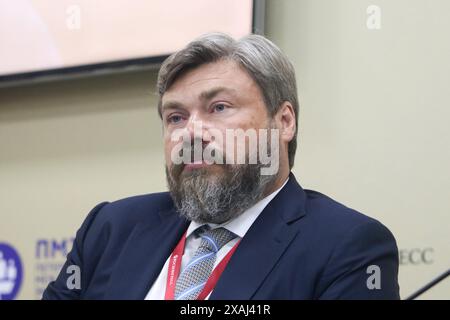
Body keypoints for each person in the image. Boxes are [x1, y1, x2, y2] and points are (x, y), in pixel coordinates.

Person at [43, 33, 400, 300]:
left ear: (284, 121)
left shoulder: (349, 248)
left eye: (219, 108)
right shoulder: (110, 229)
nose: (191, 134)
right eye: (176, 117)